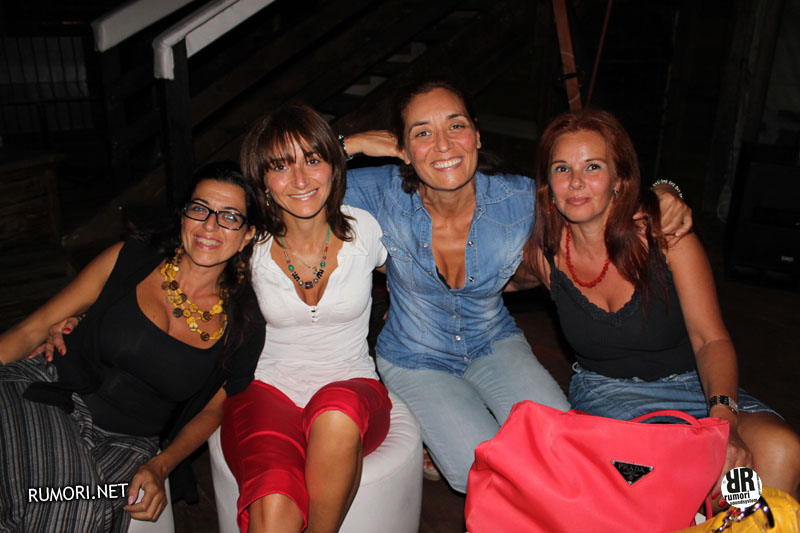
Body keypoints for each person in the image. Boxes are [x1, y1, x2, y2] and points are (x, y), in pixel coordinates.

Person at [338, 79, 693, 492]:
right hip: (415, 358)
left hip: (493, 344)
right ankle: (433, 430)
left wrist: (664, 191)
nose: (443, 144)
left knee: (560, 445)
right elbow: (291, 182)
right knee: (481, 473)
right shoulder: (378, 191)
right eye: (422, 133)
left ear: (476, 134)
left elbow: (595, 193)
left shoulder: (519, 199)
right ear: (402, 147)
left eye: (456, 126)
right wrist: (352, 144)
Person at [523, 108, 800, 500]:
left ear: (619, 180)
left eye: (593, 166)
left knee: (781, 450)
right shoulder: (543, 254)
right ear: (548, 184)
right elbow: (479, 274)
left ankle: (741, 521)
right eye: (562, 169)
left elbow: (710, 340)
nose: (576, 182)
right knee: (670, 469)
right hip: (609, 396)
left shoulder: (666, 238)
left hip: (694, 386)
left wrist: (723, 422)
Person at [0, 162, 266, 531]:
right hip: (49, 396)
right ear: (184, 215)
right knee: (72, 507)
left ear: (248, 234)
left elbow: (212, 410)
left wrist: (161, 464)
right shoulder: (131, 258)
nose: (209, 225)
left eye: (230, 217)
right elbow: (33, 328)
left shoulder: (244, 323)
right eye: (199, 209)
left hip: (127, 445)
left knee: (66, 503)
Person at [222, 104, 392, 533]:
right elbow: (182, 265)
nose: (300, 180)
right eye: (280, 166)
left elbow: (426, 265)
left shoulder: (365, 229)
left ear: (334, 167)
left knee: (336, 411)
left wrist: (349, 145)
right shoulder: (249, 244)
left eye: (313, 160)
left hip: (352, 388)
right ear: (262, 180)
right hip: (269, 390)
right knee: (273, 505)